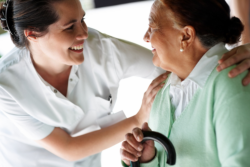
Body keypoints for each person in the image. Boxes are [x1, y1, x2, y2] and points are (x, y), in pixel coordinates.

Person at [0, 0, 249, 166]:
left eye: (83, 20)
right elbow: (69, 148)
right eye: (69, 26)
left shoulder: (223, 82)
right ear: (32, 34)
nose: (84, 33)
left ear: (185, 35)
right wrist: (146, 154)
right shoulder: (7, 84)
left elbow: (176, 61)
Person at [120, 0, 250, 167]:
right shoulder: (161, 90)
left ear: (186, 36)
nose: (146, 37)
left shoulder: (232, 80)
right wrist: (146, 159)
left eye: (153, 27)